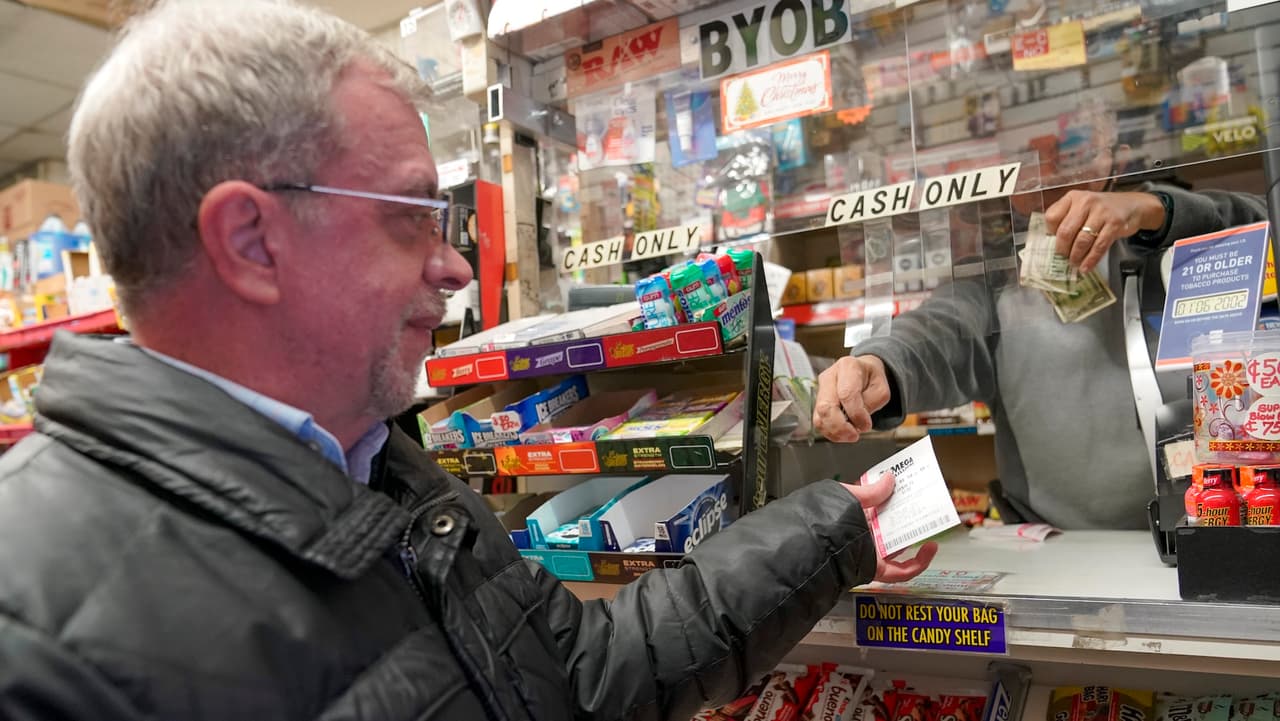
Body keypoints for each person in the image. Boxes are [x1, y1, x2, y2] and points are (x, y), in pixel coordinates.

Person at [0, 2, 937, 719]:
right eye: (412, 217)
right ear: (251, 241)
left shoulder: (384, 468)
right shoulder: (37, 639)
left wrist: (830, 530)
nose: (453, 267)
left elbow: (579, 676)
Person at [814, 105, 1268, 528]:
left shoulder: (1171, 233)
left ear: (1118, 158)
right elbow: (937, 330)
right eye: (1027, 159)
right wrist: (878, 363)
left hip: (1218, 522)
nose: (1050, 175)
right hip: (1062, 546)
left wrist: (1154, 209)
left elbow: (1261, 222)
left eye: (1072, 153)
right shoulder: (995, 279)